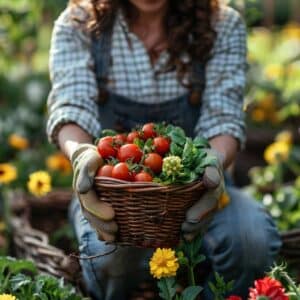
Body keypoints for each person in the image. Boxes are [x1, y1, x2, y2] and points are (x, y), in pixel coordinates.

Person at [46, 0, 282, 299]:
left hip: (203, 192)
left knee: (252, 242)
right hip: (113, 196)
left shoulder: (221, 24)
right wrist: (81, 153)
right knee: (110, 261)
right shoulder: (79, 23)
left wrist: (213, 163)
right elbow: (71, 105)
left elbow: (224, 117)